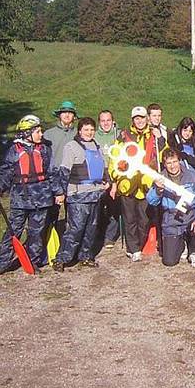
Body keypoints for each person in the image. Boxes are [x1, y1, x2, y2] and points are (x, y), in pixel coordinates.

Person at [0, 115, 62, 276]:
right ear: (27, 133)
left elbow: (52, 173)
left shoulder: (44, 149)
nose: (41, 134)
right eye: (38, 131)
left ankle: (32, 261)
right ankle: (2, 263)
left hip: (42, 198)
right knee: (13, 231)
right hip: (20, 199)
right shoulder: (14, 150)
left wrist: (59, 192)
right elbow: (5, 173)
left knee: (36, 233)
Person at [53, 117, 109, 271]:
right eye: (86, 129)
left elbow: (103, 168)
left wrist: (107, 180)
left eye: (91, 129)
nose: (89, 132)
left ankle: (85, 256)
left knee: (91, 228)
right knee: (75, 229)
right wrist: (60, 192)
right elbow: (64, 171)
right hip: (78, 196)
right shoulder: (71, 147)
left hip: (95, 194)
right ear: (79, 131)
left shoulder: (96, 147)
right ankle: (61, 259)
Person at [109, 105, 163, 262]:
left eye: (142, 118)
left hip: (146, 185)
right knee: (130, 218)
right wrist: (116, 174)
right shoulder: (124, 136)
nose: (140, 121)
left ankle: (140, 243)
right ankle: (134, 249)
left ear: (147, 119)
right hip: (128, 184)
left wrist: (159, 139)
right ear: (133, 120)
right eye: (136, 118)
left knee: (144, 219)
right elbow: (114, 159)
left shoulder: (153, 136)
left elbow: (162, 153)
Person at [146, 149, 195, 268]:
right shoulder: (160, 178)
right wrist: (158, 190)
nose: (172, 166)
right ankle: (181, 244)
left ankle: (194, 251)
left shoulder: (193, 176)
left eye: (175, 162)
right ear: (164, 164)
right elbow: (151, 201)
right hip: (171, 219)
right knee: (169, 262)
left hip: (190, 214)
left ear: (179, 161)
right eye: (169, 163)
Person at [42, 100, 79, 254]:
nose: (67, 115)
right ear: (59, 115)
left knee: (73, 214)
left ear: (74, 116)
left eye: (70, 112)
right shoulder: (49, 134)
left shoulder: (78, 133)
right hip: (54, 178)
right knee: (51, 214)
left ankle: (70, 245)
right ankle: (47, 245)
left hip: (73, 177)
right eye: (64, 112)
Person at [95, 110, 120, 248]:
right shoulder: (94, 136)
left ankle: (110, 236)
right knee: (97, 206)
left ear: (113, 121)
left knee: (113, 205)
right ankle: (98, 232)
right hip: (99, 173)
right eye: (103, 121)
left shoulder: (118, 134)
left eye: (108, 120)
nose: (106, 123)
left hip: (113, 172)